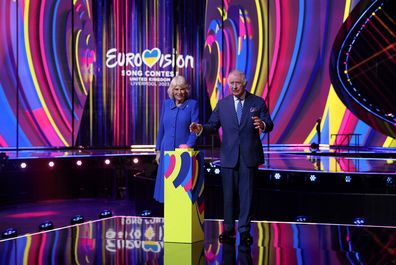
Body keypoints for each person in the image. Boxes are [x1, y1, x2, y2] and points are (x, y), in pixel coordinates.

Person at [190, 70, 273, 245]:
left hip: (249, 157)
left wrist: (263, 124)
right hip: (228, 157)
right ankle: (228, 229)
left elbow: (269, 123)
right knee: (228, 195)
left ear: (245, 83)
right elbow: (212, 126)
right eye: (231, 84)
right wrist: (201, 129)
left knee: (247, 195)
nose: (234, 87)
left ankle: (244, 231)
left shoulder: (257, 102)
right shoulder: (222, 105)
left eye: (238, 83)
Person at [153, 75, 199, 203]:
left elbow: (195, 129)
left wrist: (189, 146)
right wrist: (157, 150)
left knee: (180, 191)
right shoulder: (166, 104)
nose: (179, 92)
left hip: (183, 152)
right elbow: (161, 128)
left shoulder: (192, 105)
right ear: (172, 91)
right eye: (176, 89)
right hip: (166, 149)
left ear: (186, 90)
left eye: (182, 89)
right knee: (166, 190)